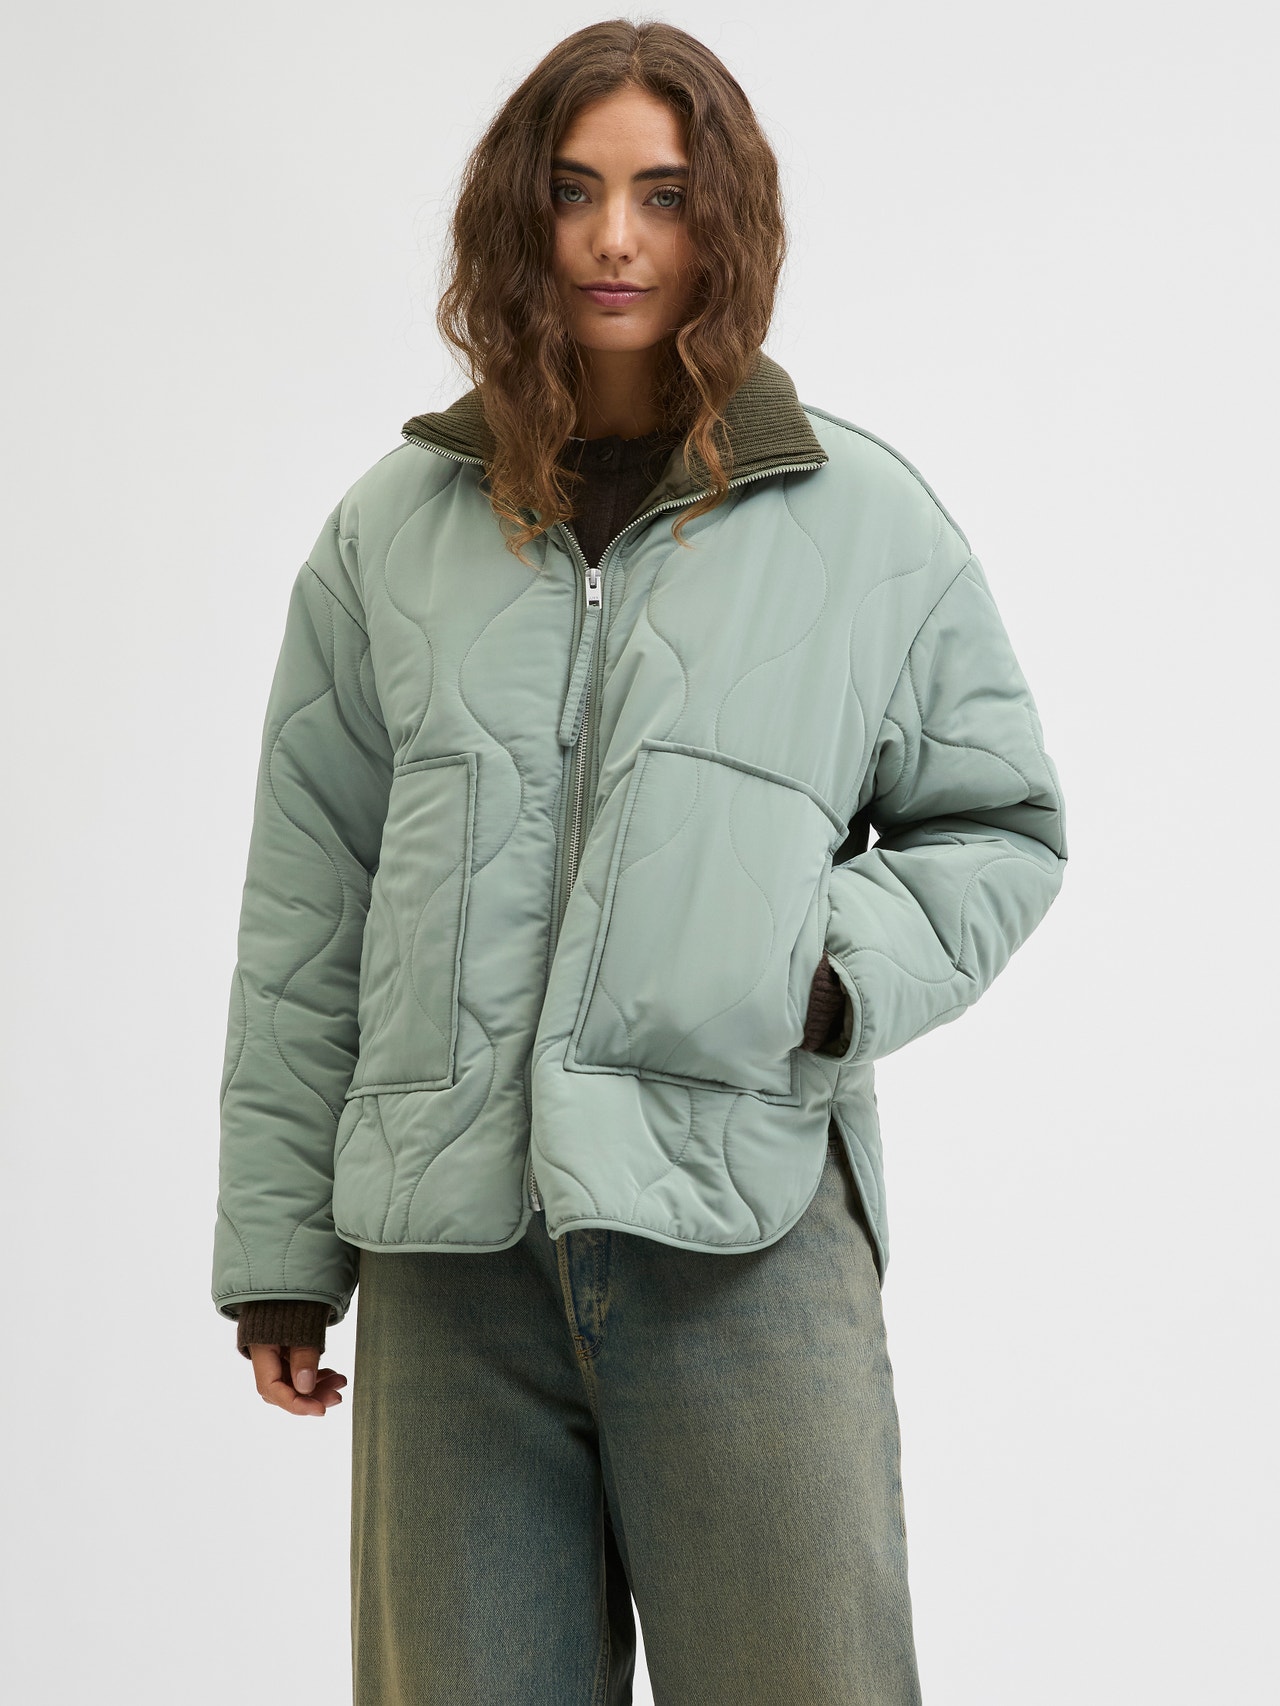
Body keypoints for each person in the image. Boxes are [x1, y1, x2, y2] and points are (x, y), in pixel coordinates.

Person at [211, 19, 1068, 1705]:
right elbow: (311, 898)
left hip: (743, 1237)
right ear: (515, 218)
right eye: (574, 191)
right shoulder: (390, 532)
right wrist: (281, 1249)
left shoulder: (862, 522)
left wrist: (825, 969)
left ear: (723, 220)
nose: (616, 237)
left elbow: (1003, 824)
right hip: (451, 1268)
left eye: (664, 195)